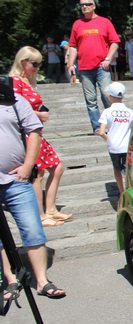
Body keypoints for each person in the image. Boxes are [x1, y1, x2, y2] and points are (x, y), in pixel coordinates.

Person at [0, 75, 66, 298]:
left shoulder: (15, 101)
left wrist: (28, 166)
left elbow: (35, 132)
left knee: (32, 228)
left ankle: (42, 281)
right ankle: (10, 280)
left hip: (15, 180)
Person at [10, 47, 71, 227]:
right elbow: (15, 109)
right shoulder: (15, 81)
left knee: (57, 167)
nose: (37, 67)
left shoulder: (26, 81)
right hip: (28, 134)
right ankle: (41, 215)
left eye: (39, 64)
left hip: (36, 132)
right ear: (23, 62)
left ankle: (50, 209)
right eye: (34, 63)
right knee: (37, 174)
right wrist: (39, 115)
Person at [67, 0, 120, 134]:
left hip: (101, 66)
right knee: (90, 100)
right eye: (82, 5)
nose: (84, 7)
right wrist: (70, 64)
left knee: (106, 95)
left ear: (94, 6)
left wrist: (108, 58)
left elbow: (115, 42)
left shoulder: (104, 22)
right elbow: (73, 45)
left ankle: (114, 124)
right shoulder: (77, 24)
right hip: (84, 68)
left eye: (88, 4)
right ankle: (97, 127)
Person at [97, 82, 133, 195]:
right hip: (127, 145)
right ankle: (131, 189)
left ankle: (122, 192)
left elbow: (101, 132)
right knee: (129, 169)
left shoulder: (107, 112)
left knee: (117, 169)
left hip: (114, 146)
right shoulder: (130, 112)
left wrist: (109, 140)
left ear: (110, 96)